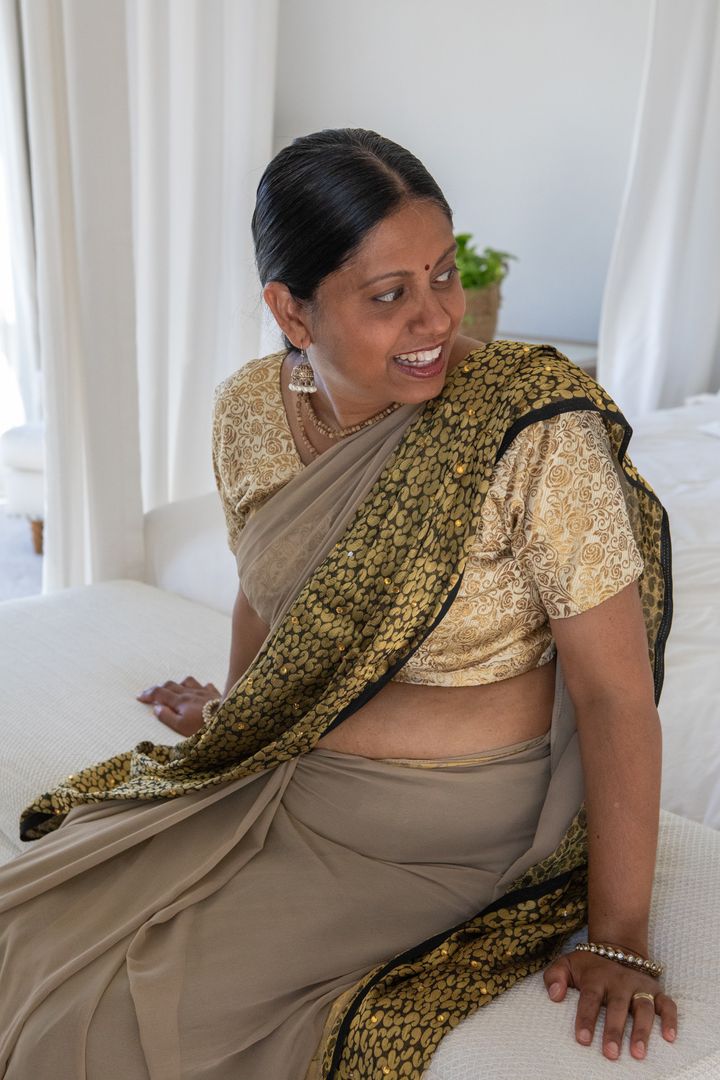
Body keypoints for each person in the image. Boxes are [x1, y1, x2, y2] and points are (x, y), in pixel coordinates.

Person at [0, 129, 676, 1079]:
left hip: (448, 825)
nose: (437, 319)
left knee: (103, 1029)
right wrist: (240, 717)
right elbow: (267, 589)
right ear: (291, 310)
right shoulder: (249, 411)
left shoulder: (532, 428)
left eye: (443, 275)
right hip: (280, 767)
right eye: (389, 295)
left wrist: (620, 938)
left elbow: (614, 694)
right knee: (24, 942)